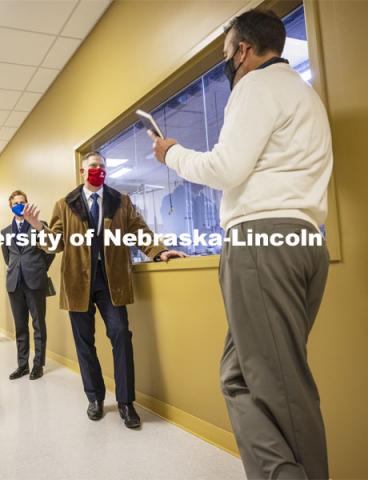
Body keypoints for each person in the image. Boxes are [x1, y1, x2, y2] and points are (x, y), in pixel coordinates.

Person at [149, 9, 332, 479]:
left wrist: (172, 154)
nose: (228, 62)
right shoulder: (304, 95)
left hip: (261, 243)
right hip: (304, 241)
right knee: (239, 377)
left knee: (279, 386)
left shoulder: (256, 85)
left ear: (243, 51)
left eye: (227, 52)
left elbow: (226, 169)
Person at [23, 152, 186, 428]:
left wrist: (159, 252)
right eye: (92, 167)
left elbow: (139, 231)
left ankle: (126, 402)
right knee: (84, 343)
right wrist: (38, 226)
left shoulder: (121, 201)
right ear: (82, 171)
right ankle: (95, 397)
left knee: (121, 335)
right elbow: (55, 244)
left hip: (112, 282)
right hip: (77, 284)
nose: (97, 170)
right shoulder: (64, 204)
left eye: (101, 166)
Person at [1, 190, 55, 381]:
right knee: (20, 326)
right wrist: (18, 269)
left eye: (22, 202)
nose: (19, 205)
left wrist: (39, 268)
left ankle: (38, 365)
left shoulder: (40, 226)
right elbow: (8, 257)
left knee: (38, 324)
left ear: (27, 204)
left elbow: (51, 251)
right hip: (14, 283)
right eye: (16, 202)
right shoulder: (5, 232)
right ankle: (22, 365)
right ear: (10, 206)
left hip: (35, 280)